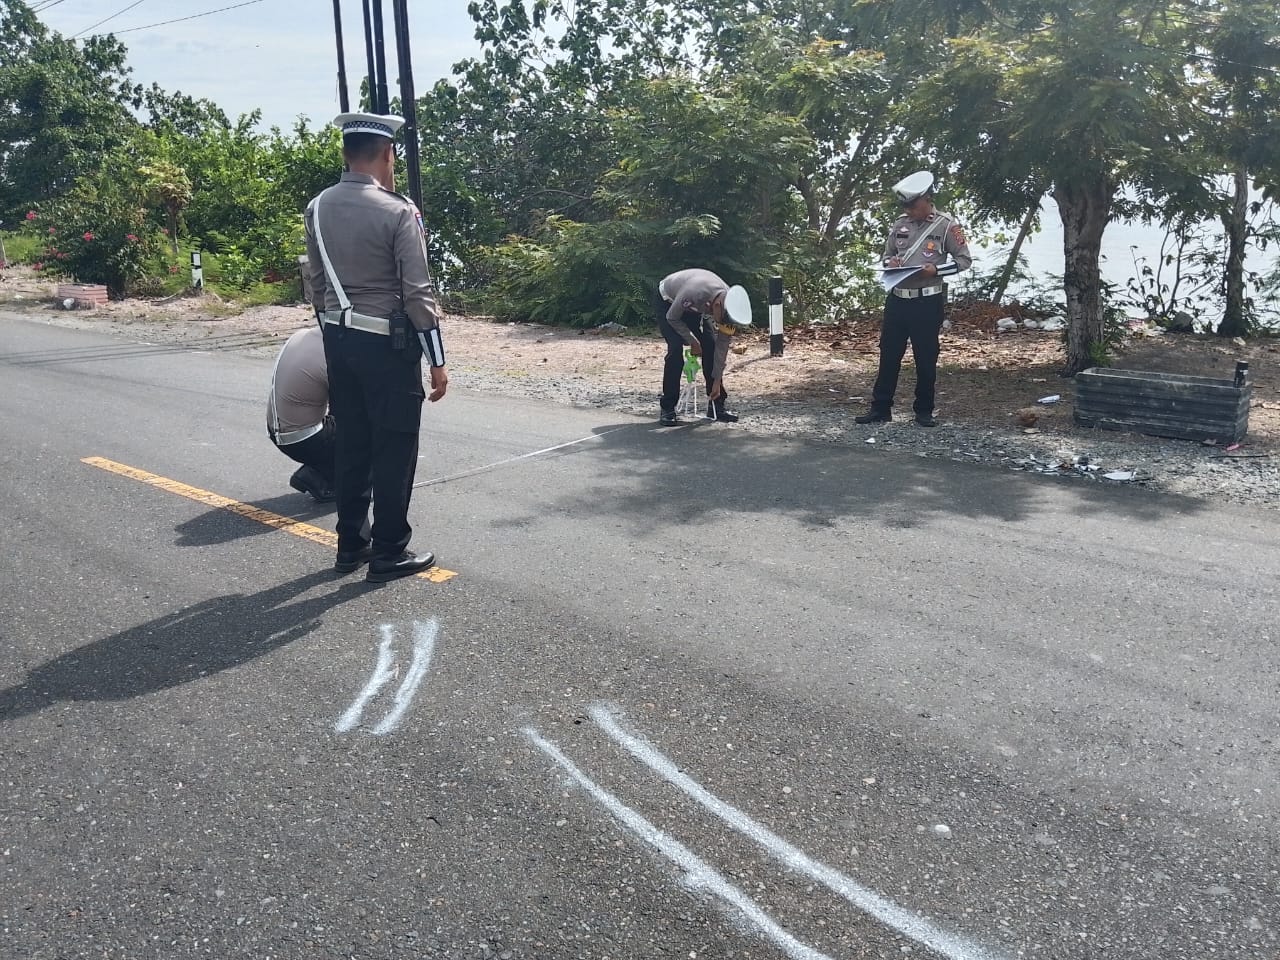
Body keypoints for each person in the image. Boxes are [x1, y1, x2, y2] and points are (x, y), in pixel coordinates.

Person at [303, 112, 449, 584]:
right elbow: (418, 293)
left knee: (353, 443)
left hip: (338, 340)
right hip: (386, 346)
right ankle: (389, 550)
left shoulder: (318, 207)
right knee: (394, 447)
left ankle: (351, 545)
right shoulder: (398, 212)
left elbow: (318, 286)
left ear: (346, 154)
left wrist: (334, 338)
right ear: (388, 154)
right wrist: (438, 361)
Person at [857, 171, 972, 427]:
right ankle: (880, 408)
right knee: (888, 355)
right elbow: (886, 256)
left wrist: (936, 270)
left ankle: (923, 411)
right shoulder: (900, 224)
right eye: (906, 207)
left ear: (927, 199)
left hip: (926, 301)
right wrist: (891, 262)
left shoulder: (946, 225)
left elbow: (964, 261)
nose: (909, 211)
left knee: (925, 356)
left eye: (914, 206)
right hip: (898, 298)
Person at [655, 269, 752, 425]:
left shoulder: (728, 303)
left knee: (711, 346)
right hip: (669, 304)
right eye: (720, 319)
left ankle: (716, 405)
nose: (720, 323)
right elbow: (672, 318)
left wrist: (716, 380)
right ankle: (668, 407)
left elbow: (721, 348)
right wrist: (692, 341)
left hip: (696, 308)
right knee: (675, 348)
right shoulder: (694, 292)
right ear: (717, 305)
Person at [267, 326, 335, 502]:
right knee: (368, 434)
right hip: (302, 438)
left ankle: (320, 469)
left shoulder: (301, 335)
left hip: (276, 430)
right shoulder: (332, 352)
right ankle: (321, 476)